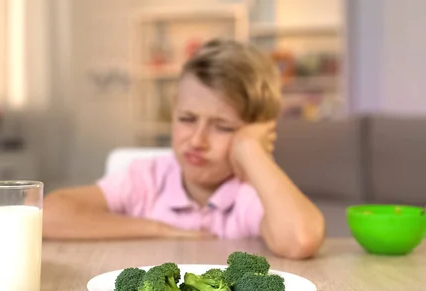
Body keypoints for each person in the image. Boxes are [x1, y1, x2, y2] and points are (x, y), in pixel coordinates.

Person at [43, 39, 325, 259]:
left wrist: (251, 149)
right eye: (187, 119)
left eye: (223, 126)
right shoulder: (147, 178)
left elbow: (300, 239)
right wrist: (158, 230)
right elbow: (47, 215)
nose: (197, 140)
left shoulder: (249, 191)